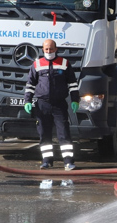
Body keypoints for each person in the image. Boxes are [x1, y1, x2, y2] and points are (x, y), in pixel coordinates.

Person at [23, 38, 80, 170]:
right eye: (46, 49)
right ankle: (47, 161)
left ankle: (68, 162)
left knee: (64, 133)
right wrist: (27, 101)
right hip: (42, 105)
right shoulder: (37, 64)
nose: (49, 51)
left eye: (51, 49)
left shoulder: (64, 63)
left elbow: (72, 84)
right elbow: (30, 84)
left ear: (56, 49)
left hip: (59, 104)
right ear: (43, 49)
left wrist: (75, 100)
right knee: (44, 133)